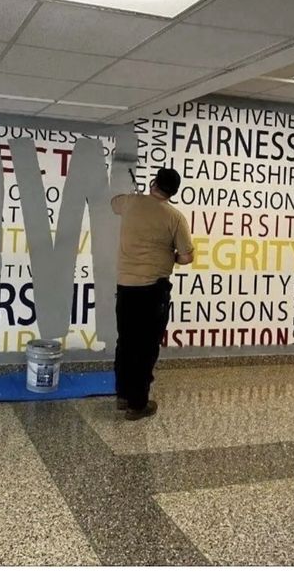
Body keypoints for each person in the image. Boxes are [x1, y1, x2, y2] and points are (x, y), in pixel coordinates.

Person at [110, 167, 194, 420]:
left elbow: (114, 203)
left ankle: (123, 396)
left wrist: (136, 199)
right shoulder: (175, 217)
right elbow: (187, 256)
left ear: (154, 183)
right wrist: (172, 255)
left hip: (125, 288)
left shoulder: (129, 203)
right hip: (153, 291)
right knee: (145, 346)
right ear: (174, 192)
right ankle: (138, 404)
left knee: (125, 342)